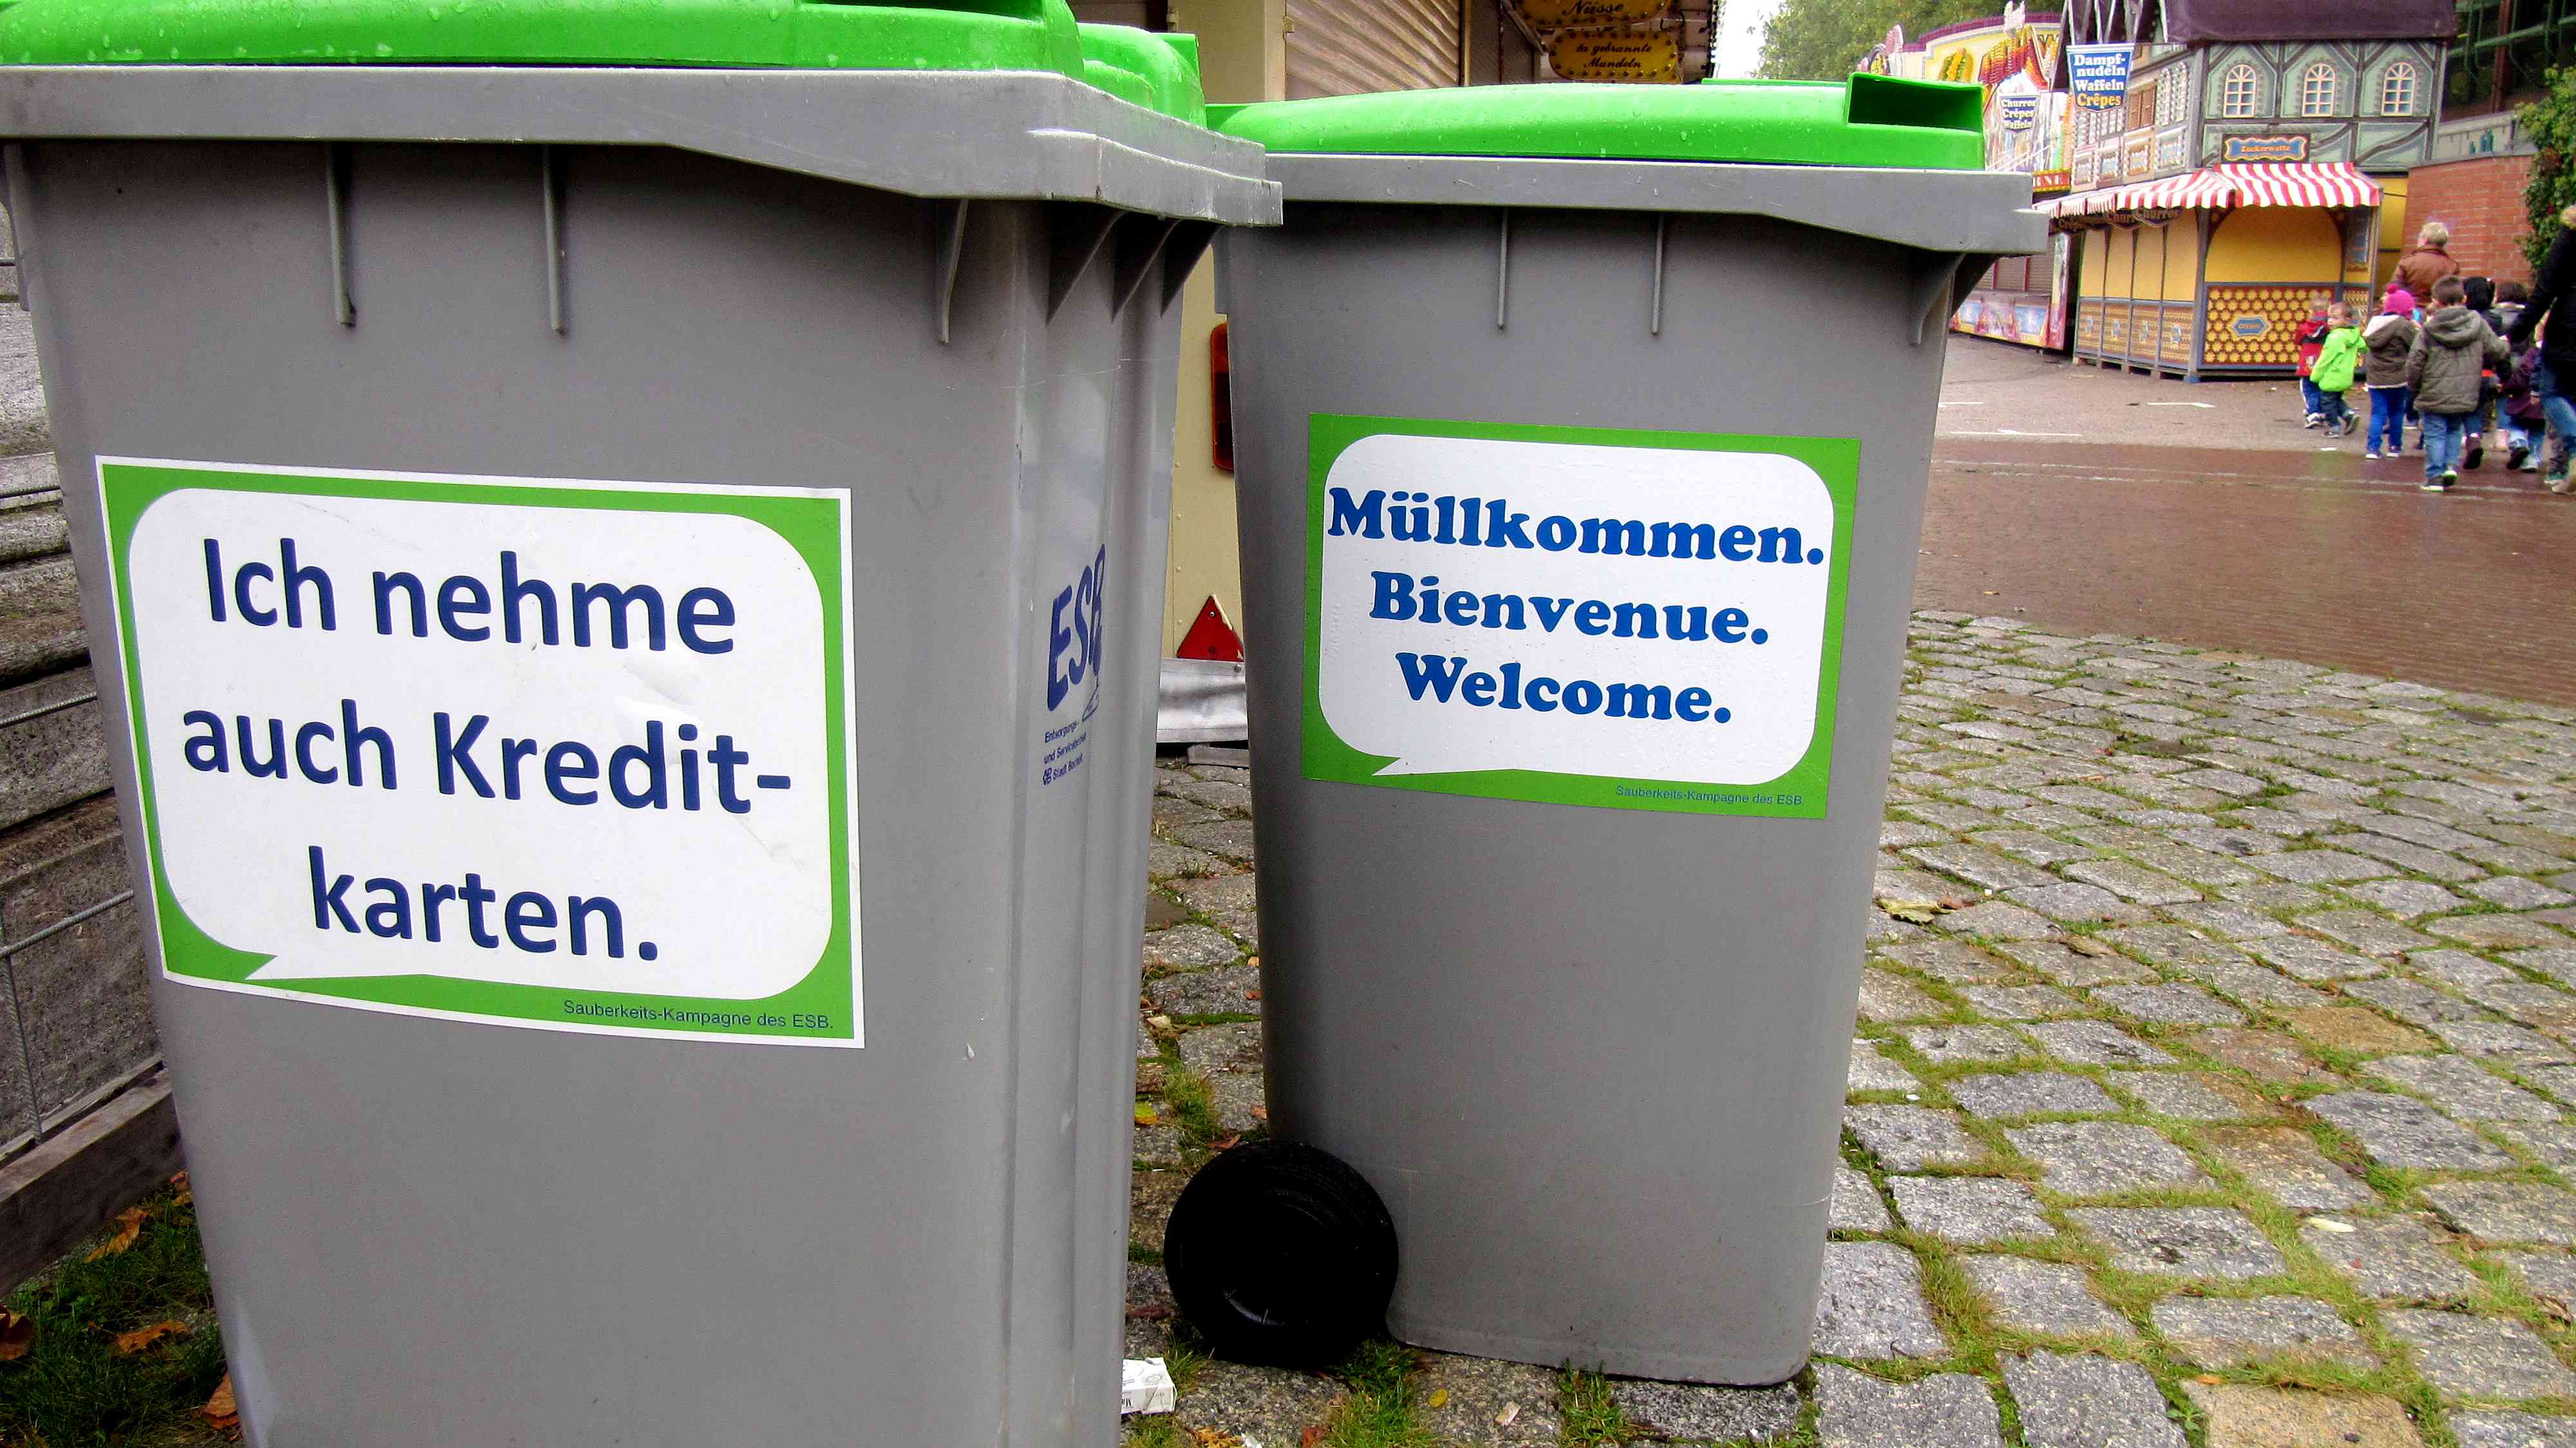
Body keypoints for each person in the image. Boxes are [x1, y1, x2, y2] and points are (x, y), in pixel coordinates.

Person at [2406, 276, 2510, 491]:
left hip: (2434, 389)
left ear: (2436, 301)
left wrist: (2414, 387)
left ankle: (2434, 476)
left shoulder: (2429, 328)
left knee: (2435, 432)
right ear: (2464, 298)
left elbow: (2415, 361)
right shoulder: (2477, 323)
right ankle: (2450, 466)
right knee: (2454, 429)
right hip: (2466, 389)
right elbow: (2497, 350)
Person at [2506, 205, 2576, 494]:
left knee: (2551, 392)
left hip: (2570, 325)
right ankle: (2566, 472)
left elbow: (2546, 288)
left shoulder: (2572, 230)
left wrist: (2519, 330)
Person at [2362, 287, 2418, 461]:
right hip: (2398, 377)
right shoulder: (2404, 325)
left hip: (2375, 378)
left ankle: (2372, 448)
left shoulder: (2374, 323)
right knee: (2396, 412)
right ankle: (2394, 446)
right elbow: (2415, 347)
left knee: (2378, 413)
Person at [2311, 302, 2363, 438]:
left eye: (2335, 318)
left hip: (2332, 376)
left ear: (2346, 320)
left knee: (2327, 402)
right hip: (2345, 376)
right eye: (2329, 318)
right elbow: (2364, 347)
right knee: (2336, 399)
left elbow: (2325, 360)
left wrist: (2315, 375)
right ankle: (2349, 415)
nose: (2330, 321)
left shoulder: (2334, 337)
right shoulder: (2353, 335)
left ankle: (2334, 426)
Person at [2292, 295, 2334, 427]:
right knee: (2322, 389)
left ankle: (2313, 413)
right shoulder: (2329, 328)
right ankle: (2322, 413)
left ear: (2311, 311)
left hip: (2307, 365)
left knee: (2308, 390)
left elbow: (2297, 341)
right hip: (2324, 363)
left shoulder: (2304, 328)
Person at [2396, 222, 2461, 303]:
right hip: (2438, 311)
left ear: (2425, 240)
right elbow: (2453, 295)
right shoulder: (2452, 266)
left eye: (2420, 237)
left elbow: (2394, 289)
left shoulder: (2407, 262)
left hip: (2411, 311)